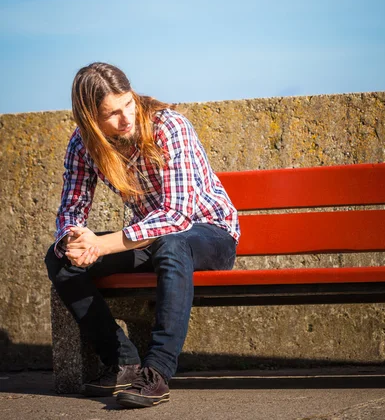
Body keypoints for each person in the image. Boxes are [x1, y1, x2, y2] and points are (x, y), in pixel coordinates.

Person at [45, 62, 240, 409]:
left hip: (209, 234)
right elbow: (72, 207)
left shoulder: (169, 126)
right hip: (152, 238)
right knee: (59, 258)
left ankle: (157, 372)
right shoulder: (83, 144)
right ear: (91, 119)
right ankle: (123, 362)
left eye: (128, 104)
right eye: (112, 113)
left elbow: (177, 217)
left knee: (173, 244)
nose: (126, 118)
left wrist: (102, 244)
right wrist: (73, 238)